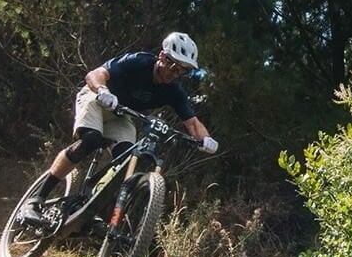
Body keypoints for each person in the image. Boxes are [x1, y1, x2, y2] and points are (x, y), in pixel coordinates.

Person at [32, 31, 218, 207]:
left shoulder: (174, 91)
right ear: (162, 56)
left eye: (181, 71)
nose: (174, 73)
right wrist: (103, 90)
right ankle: (38, 198)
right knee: (90, 140)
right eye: (173, 66)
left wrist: (205, 139)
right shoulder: (139, 62)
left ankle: (91, 203)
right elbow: (95, 74)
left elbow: (193, 123)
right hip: (97, 99)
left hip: (121, 116)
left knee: (127, 162)